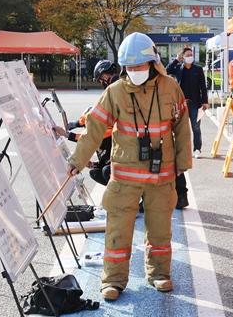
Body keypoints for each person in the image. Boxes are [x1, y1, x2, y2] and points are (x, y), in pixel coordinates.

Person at [67, 32, 192, 301]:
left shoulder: (171, 88)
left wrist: (183, 162)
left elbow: (182, 126)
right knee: (117, 230)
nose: (135, 71)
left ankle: (159, 274)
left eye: (140, 66)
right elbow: (94, 128)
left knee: (160, 229)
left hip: (161, 175)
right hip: (124, 176)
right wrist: (77, 161)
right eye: (130, 67)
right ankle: (113, 280)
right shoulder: (115, 92)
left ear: (152, 63)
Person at [55, 60, 119, 186]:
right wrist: (75, 124)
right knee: (97, 172)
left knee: (107, 171)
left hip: (129, 155)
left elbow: (92, 133)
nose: (102, 83)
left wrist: (68, 134)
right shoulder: (113, 92)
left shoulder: (115, 92)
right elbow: (92, 118)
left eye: (101, 79)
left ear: (106, 74)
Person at [166, 46, 209, 209]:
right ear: (183, 57)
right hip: (179, 104)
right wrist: (177, 60)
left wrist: (205, 101)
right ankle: (180, 152)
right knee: (180, 131)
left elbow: (203, 86)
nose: (190, 57)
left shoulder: (198, 69)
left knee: (195, 127)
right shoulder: (178, 68)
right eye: (187, 55)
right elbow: (166, 70)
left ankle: (197, 149)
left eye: (192, 55)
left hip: (194, 104)